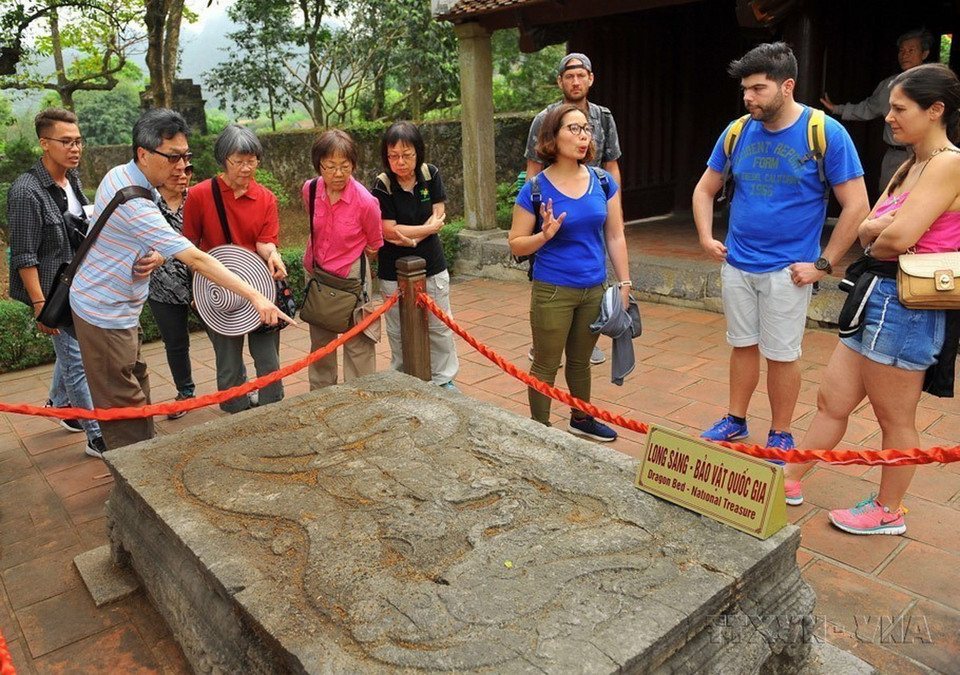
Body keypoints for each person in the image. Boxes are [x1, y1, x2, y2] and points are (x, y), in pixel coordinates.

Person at [785, 63, 960, 535]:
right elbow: (869, 229)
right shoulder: (910, 163)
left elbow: (893, 236)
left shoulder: (948, 163)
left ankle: (889, 510)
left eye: (900, 109)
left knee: (895, 418)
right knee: (831, 400)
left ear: (936, 110)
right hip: (876, 294)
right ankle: (790, 479)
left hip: (909, 306)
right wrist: (881, 234)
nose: (889, 117)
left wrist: (883, 234)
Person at [70, 109, 290, 451]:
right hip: (104, 310)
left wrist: (148, 254)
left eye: (185, 157)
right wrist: (257, 296)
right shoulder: (143, 201)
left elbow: (145, 239)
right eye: (172, 157)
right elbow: (195, 255)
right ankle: (137, 465)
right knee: (123, 396)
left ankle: (145, 451)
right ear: (143, 154)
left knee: (135, 382)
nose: (180, 167)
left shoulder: (127, 179)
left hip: (121, 310)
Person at [692, 42, 870, 454]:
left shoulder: (824, 131)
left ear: (786, 86)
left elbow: (857, 205)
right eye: (745, 90)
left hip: (788, 270)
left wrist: (823, 264)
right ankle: (736, 419)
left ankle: (781, 430)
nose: (748, 97)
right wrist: (705, 236)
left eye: (757, 89)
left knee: (783, 354)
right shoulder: (737, 131)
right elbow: (705, 188)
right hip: (737, 263)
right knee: (742, 344)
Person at [509, 103, 631, 442]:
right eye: (573, 129)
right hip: (552, 290)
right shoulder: (535, 189)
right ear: (552, 136)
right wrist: (543, 236)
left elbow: (615, 234)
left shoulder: (602, 181)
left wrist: (624, 282)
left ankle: (582, 417)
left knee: (580, 361)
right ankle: (540, 429)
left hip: (593, 287)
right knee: (546, 363)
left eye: (586, 129)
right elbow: (516, 244)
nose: (582, 136)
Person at [7, 108, 106, 458]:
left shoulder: (71, 179)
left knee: (70, 353)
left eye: (78, 141)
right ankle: (97, 436)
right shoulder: (26, 192)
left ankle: (59, 402)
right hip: (51, 291)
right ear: (44, 144)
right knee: (77, 358)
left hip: (77, 284)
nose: (75, 148)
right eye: (66, 141)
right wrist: (40, 306)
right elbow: (23, 255)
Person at [525, 52, 622, 367]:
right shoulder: (545, 119)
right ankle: (546, 339)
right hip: (556, 207)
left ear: (591, 79)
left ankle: (583, 338)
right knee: (550, 271)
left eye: (581, 75)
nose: (576, 81)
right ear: (560, 82)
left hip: (593, 203)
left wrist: (614, 203)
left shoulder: (603, 117)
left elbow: (611, 164)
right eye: (569, 76)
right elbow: (533, 169)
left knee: (592, 266)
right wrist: (536, 212)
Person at [182, 125, 287, 414]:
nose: (245, 168)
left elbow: (264, 242)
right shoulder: (200, 195)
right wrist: (195, 289)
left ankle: (271, 405)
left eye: (251, 160)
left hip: (260, 287)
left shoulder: (266, 198)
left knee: (267, 356)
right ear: (223, 160)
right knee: (227, 358)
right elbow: (190, 245)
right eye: (237, 161)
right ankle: (235, 408)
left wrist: (274, 256)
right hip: (218, 290)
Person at [372, 121, 459, 389]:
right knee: (398, 331)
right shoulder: (382, 184)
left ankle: (444, 379)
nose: (400, 162)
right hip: (392, 269)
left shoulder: (430, 174)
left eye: (407, 155)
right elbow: (387, 230)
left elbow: (439, 213)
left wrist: (411, 236)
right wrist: (426, 230)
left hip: (432, 263)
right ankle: (402, 378)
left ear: (418, 152)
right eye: (393, 156)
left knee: (440, 325)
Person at [302, 129, 383, 389]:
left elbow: (374, 244)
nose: (337, 174)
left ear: (354, 165)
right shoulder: (311, 190)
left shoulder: (366, 202)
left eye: (344, 166)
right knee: (321, 342)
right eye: (330, 166)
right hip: (318, 275)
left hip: (352, 279)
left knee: (358, 342)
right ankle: (321, 395)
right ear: (319, 166)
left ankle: (359, 396)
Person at [821, 29, 934, 193]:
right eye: (901, 50)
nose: (904, 55)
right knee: (888, 199)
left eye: (911, 50)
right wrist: (837, 109)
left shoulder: (933, 85)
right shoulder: (889, 85)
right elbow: (869, 108)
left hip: (925, 153)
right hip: (895, 155)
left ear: (925, 54)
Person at [148, 162, 195, 420]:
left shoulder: (197, 199)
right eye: (177, 171)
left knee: (223, 336)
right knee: (175, 344)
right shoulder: (146, 205)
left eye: (187, 171)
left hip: (201, 284)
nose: (183, 176)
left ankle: (235, 387)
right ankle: (185, 393)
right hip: (162, 288)